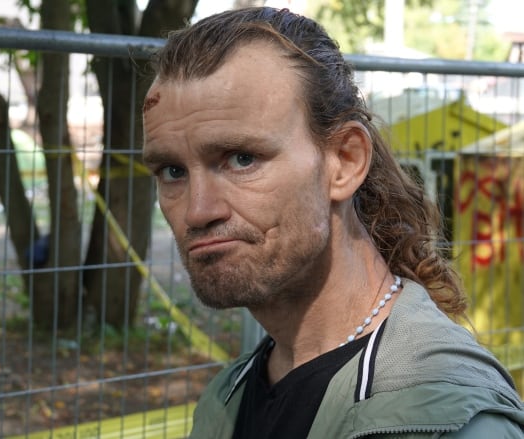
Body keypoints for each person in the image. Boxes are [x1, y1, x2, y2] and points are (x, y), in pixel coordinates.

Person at [141, 6, 524, 438]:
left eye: (242, 159)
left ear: (344, 161)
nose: (198, 210)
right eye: (172, 171)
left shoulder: (438, 416)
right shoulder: (227, 398)